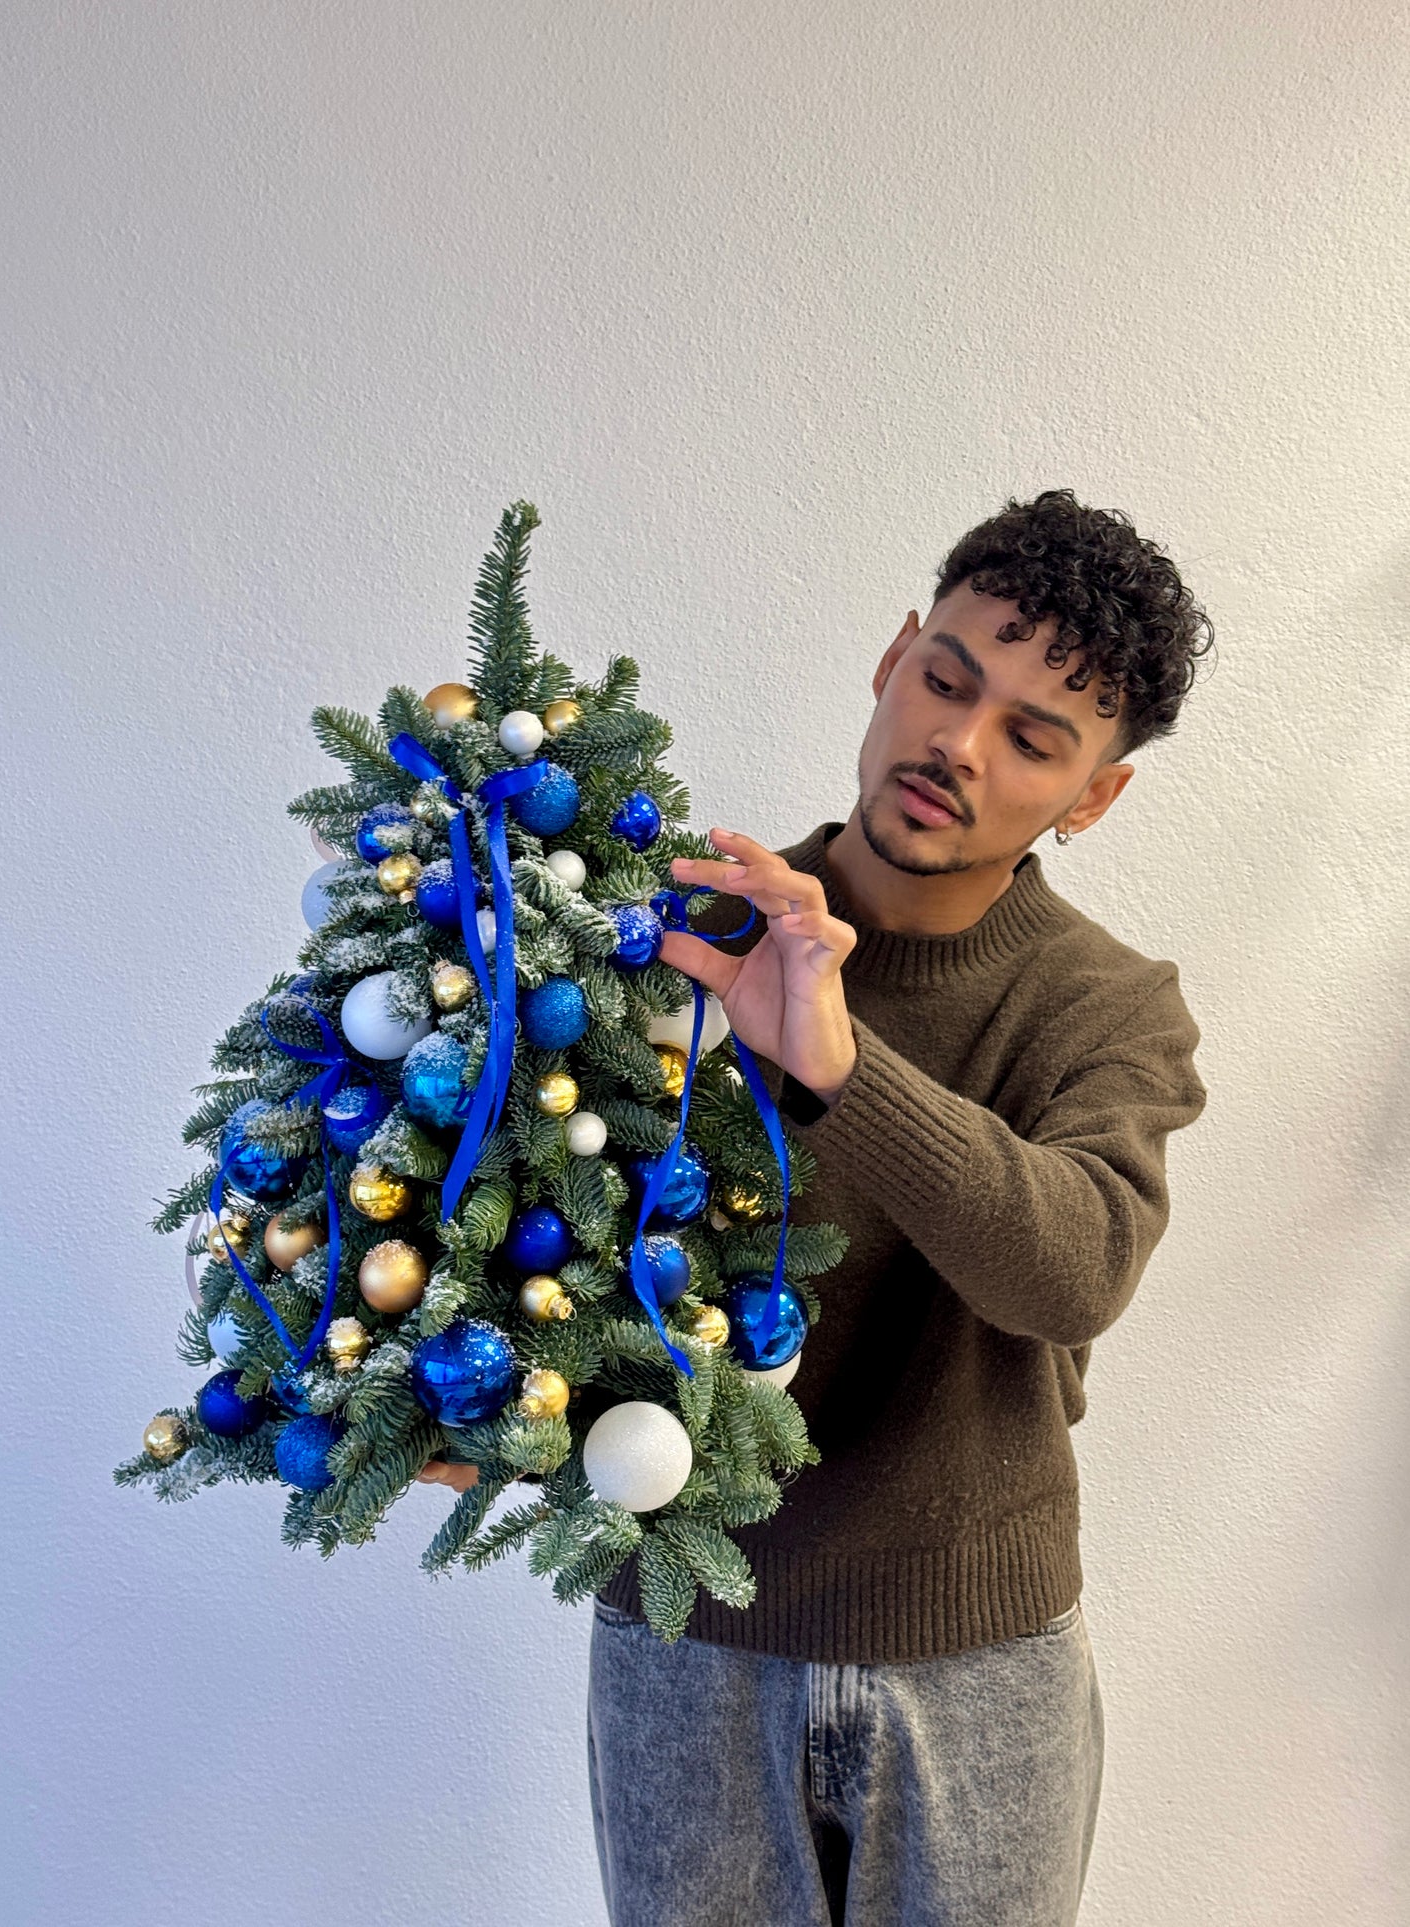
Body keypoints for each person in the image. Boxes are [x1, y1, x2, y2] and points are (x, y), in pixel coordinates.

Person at [426, 487, 1214, 1925]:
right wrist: (460, 1404)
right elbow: (530, 1231)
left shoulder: (1109, 1010)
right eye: (947, 679)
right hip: (687, 1641)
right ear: (893, 654)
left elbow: (1072, 1272)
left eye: (1034, 738)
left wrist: (842, 1068)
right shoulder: (678, 938)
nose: (956, 746)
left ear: (1094, 795)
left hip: (985, 1665)